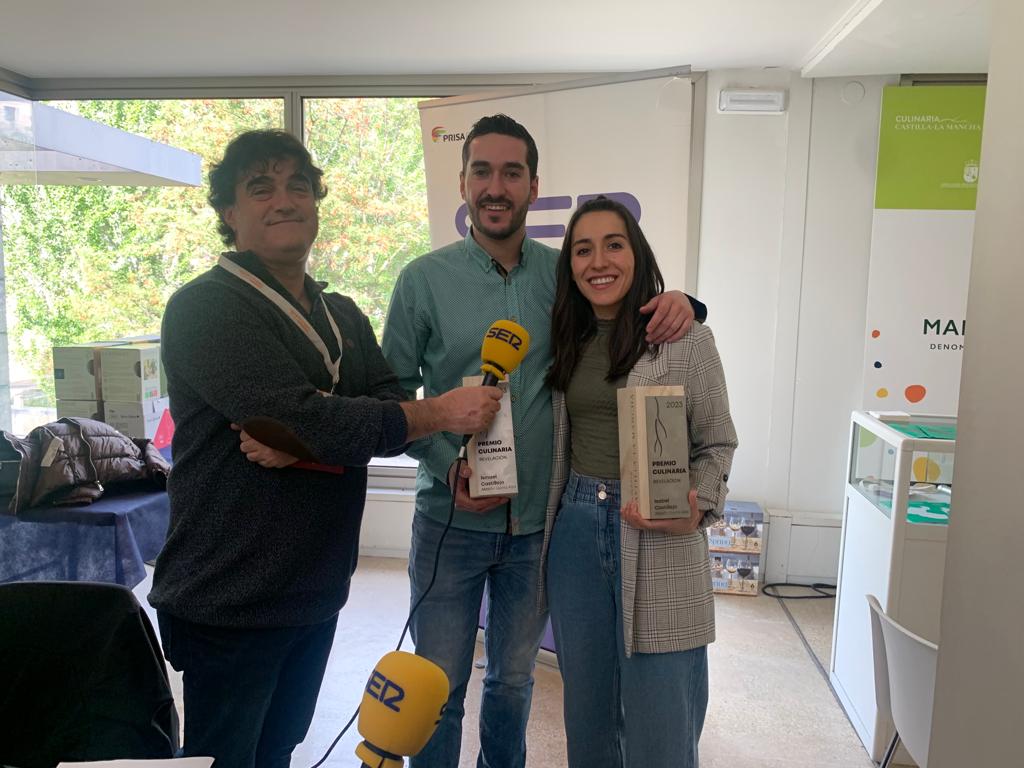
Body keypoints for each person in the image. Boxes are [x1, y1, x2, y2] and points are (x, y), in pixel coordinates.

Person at [148, 129, 501, 768]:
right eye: (261, 188)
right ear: (228, 212)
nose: (284, 200)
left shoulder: (341, 314)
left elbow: (373, 404)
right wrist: (428, 413)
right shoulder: (204, 308)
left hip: (314, 585)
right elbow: (300, 415)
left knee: (279, 748)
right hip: (229, 591)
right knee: (226, 757)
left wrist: (317, 444)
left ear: (316, 203)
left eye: (298, 186)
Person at [380, 114, 707, 768]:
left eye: (510, 172)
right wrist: (447, 467)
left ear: (533, 185)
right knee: (437, 688)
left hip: (540, 529)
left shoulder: (565, 275)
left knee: (513, 682)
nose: (495, 186)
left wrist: (687, 305)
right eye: (481, 171)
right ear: (463, 182)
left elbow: (628, 306)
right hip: (449, 524)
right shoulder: (422, 280)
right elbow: (390, 400)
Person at [541, 196, 737, 768]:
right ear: (570, 265)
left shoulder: (684, 338)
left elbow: (718, 442)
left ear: (636, 254)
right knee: (588, 714)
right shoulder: (564, 338)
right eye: (582, 249)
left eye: (613, 244)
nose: (598, 261)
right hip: (576, 531)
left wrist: (698, 508)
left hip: (661, 534)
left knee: (663, 719)